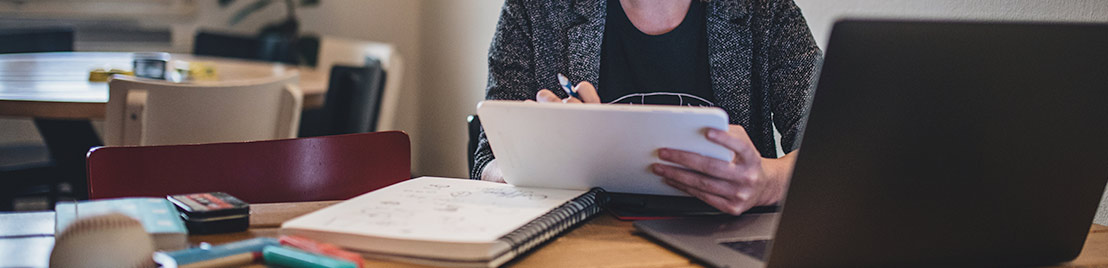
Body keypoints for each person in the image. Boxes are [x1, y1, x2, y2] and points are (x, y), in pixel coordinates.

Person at [474, 0, 822, 215]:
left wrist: (769, 182)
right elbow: (486, 163)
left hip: (728, 239)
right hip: (583, 245)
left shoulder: (765, 8)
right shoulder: (535, 8)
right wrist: (542, 161)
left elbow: (835, 151)